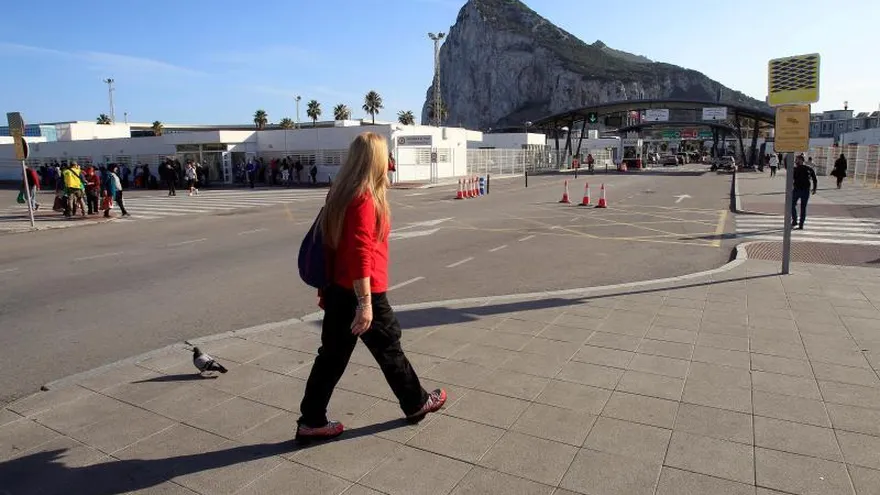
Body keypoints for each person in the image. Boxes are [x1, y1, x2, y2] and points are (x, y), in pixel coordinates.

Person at [296, 132, 446, 442]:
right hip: (363, 291)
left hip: (340, 290)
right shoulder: (363, 198)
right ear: (375, 160)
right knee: (389, 346)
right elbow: (359, 253)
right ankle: (416, 402)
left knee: (332, 357)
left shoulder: (340, 192)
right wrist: (365, 304)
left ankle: (311, 420)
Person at [791, 154, 817, 230]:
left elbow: (814, 178)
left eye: (797, 160)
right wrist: (814, 188)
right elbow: (814, 179)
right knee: (793, 205)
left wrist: (814, 188)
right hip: (799, 189)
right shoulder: (795, 169)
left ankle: (799, 223)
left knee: (801, 207)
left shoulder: (807, 169)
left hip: (802, 190)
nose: (796, 161)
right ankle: (796, 221)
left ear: (802, 160)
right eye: (796, 160)